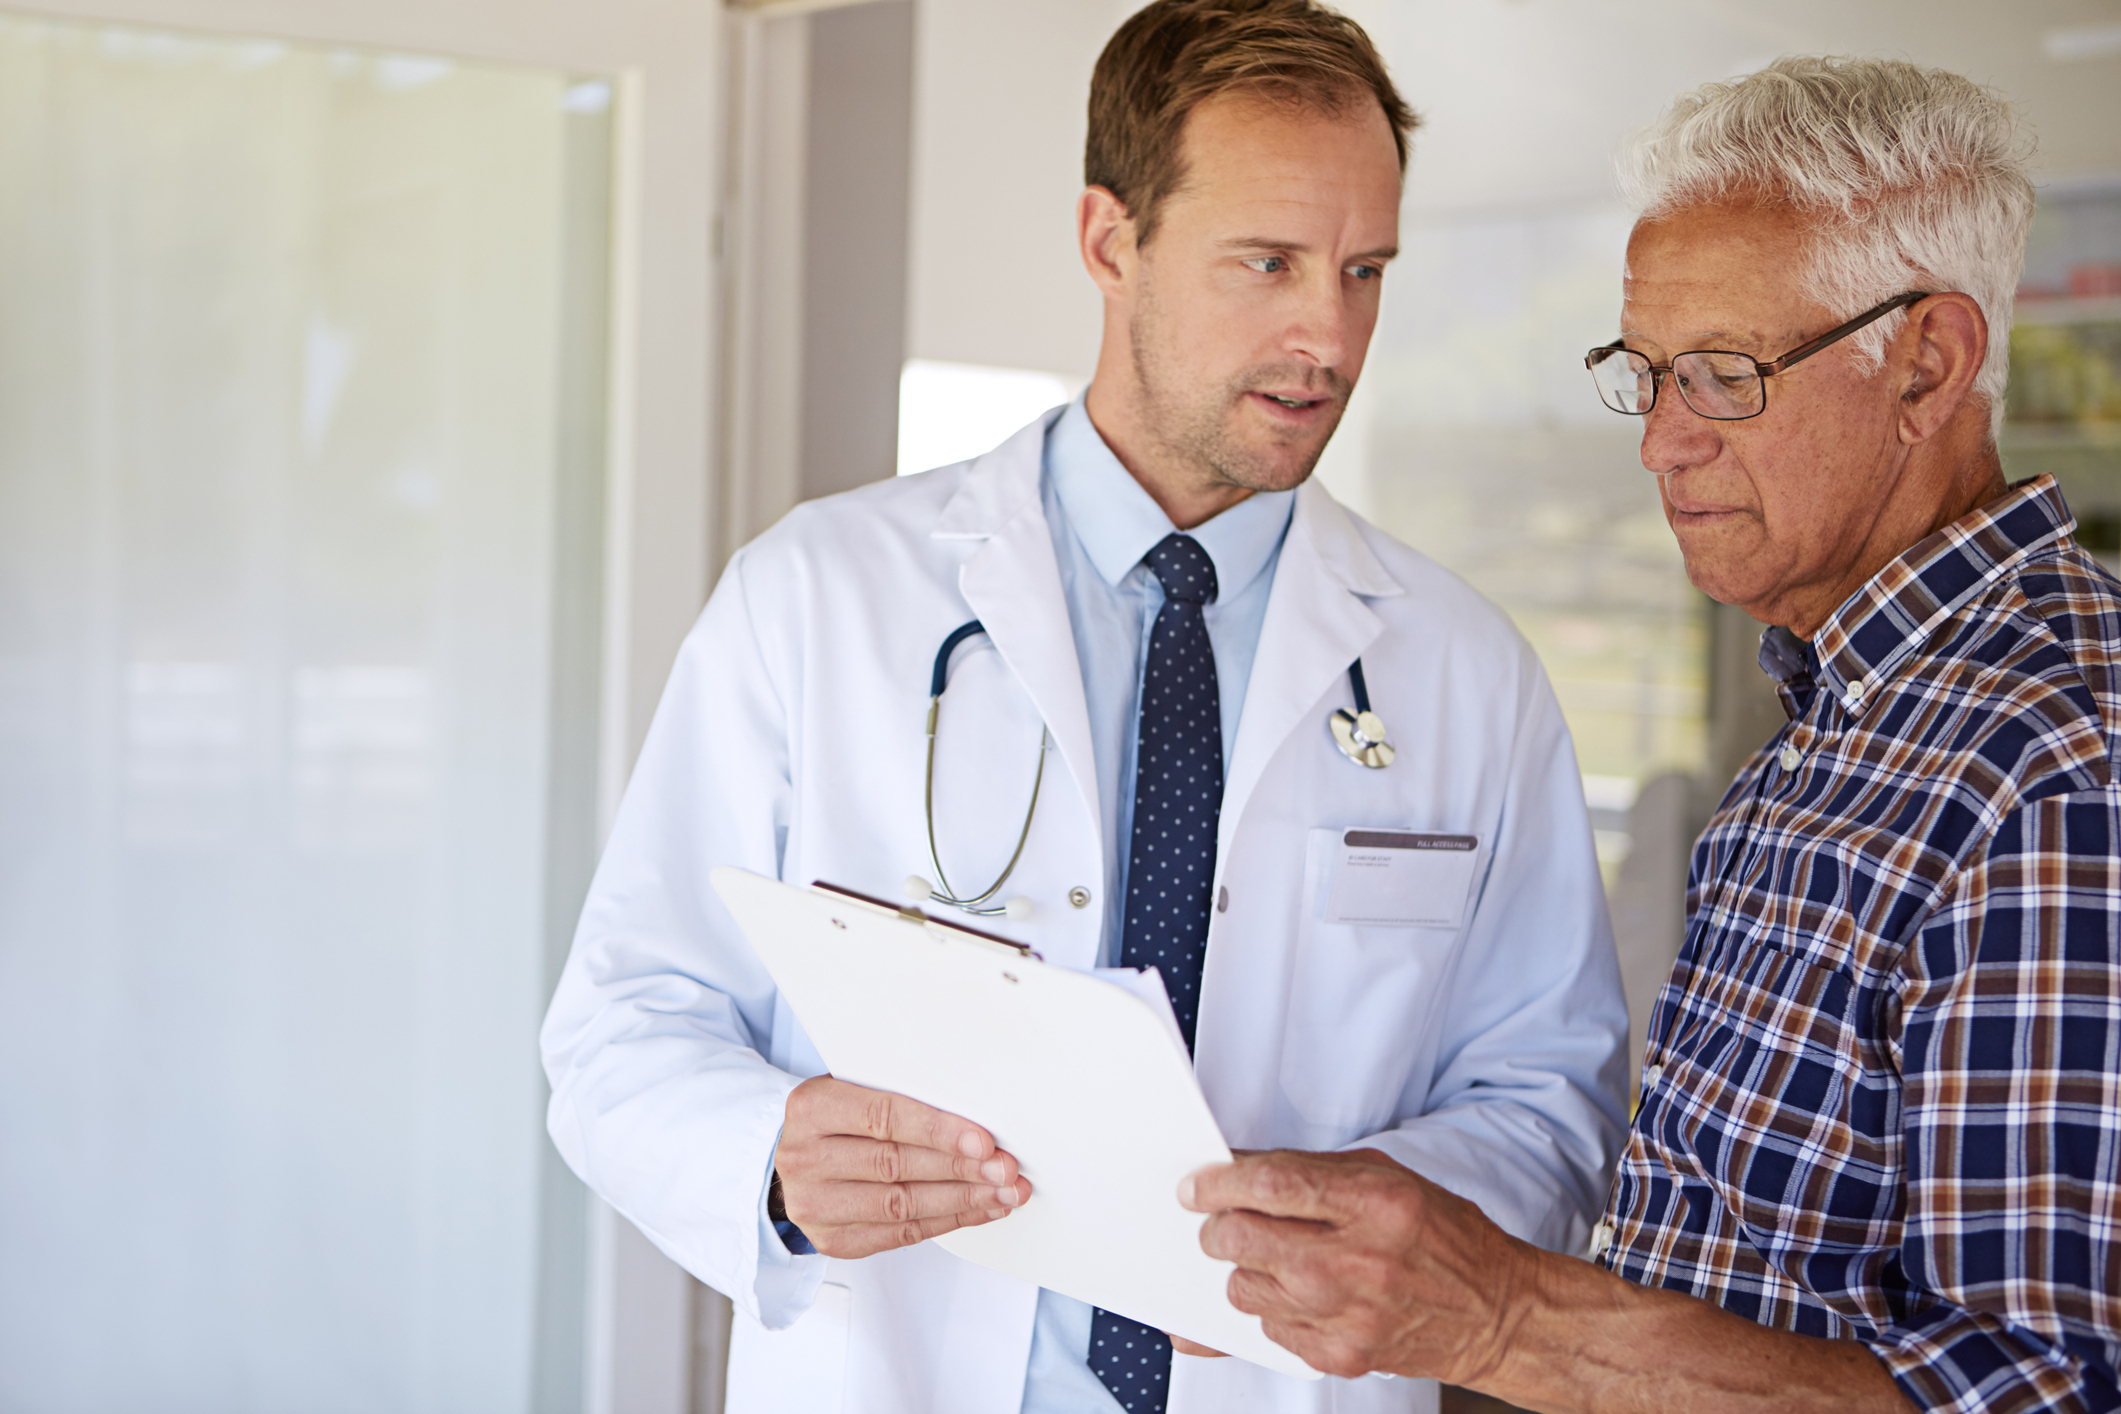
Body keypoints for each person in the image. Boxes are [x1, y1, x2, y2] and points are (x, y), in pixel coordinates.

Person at [540, 2, 1628, 1411]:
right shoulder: (818, 595)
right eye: (1268, 261)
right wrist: (772, 1153)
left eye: (1365, 270)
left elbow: (1552, 1093)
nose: (1329, 333)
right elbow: (620, 1026)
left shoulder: (1464, 669)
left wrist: (1384, 1224)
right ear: (1109, 242)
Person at [1179, 53, 2121, 1414]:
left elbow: (2052, 1396)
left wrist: (1505, 1318)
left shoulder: (2054, 771)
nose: (1660, 444)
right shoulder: (1820, 743)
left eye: (1725, 375)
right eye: (1649, 373)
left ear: (1928, 361)